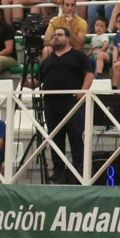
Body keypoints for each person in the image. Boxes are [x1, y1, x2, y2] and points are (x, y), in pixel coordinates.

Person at [36, 27, 94, 181]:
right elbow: (38, 80)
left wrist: (83, 91)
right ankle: (58, 170)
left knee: (75, 136)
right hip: (51, 104)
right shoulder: (47, 61)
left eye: (59, 35)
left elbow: (89, 74)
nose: (56, 38)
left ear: (68, 38)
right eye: (54, 35)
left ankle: (79, 170)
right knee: (55, 138)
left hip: (72, 102)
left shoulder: (78, 56)